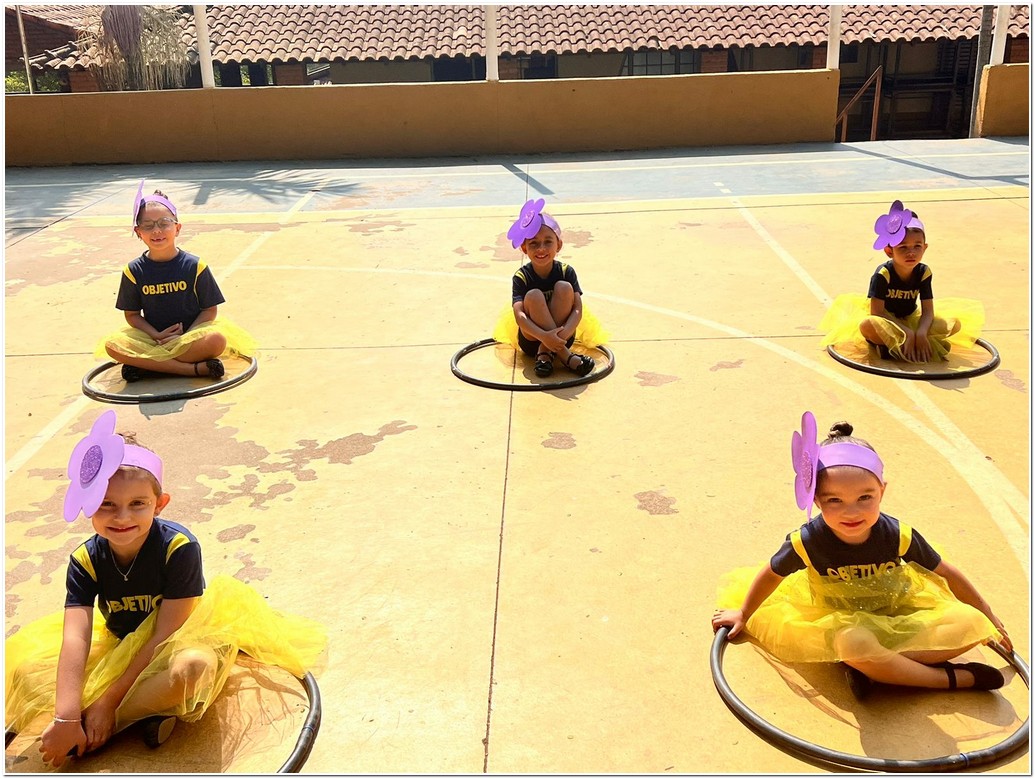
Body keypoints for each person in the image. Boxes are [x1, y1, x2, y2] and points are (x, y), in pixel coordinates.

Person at [5, 411, 326, 767]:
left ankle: (106, 724)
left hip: (177, 641)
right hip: (121, 644)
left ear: (159, 504)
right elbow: (75, 638)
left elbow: (165, 634)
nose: (122, 517)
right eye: (106, 504)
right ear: (88, 503)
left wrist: (107, 703)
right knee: (26, 671)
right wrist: (65, 716)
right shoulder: (85, 559)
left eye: (137, 504)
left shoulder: (179, 547)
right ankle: (135, 715)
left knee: (193, 668)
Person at [711, 412, 1011, 699]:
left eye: (865, 497)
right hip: (842, 623)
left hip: (900, 611)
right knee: (852, 643)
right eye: (834, 500)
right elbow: (771, 573)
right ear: (816, 501)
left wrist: (990, 616)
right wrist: (744, 614)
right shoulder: (806, 541)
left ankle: (875, 669)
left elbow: (947, 572)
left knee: (972, 623)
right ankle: (953, 679)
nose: (851, 512)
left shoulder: (898, 534)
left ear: (882, 490)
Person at [98, 181, 256, 383]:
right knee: (112, 345)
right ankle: (190, 369)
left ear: (177, 228)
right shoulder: (133, 271)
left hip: (191, 338)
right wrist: (156, 335)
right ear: (138, 232)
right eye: (148, 225)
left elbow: (209, 310)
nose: (156, 231)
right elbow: (132, 315)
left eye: (164, 223)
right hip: (153, 339)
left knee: (216, 340)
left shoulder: (195, 266)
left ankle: (150, 366)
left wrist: (185, 337)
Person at [820, 200, 983, 363]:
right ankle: (890, 343)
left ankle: (904, 345)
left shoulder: (924, 272)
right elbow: (877, 313)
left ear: (925, 247)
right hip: (887, 321)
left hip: (910, 319)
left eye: (917, 246)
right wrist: (907, 332)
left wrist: (921, 332)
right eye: (903, 247)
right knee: (867, 324)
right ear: (889, 251)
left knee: (954, 323)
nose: (911, 253)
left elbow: (928, 311)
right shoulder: (883, 274)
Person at [492, 198, 607, 377]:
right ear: (524, 248)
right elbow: (519, 316)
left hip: (564, 336)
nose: (541, 249)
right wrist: (545, 337)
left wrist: (560, 336)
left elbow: (578, 308)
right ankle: (565, 356)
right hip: (532, 339)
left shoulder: (566, 271)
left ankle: (545, 353)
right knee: (534, 295)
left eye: (548, 242)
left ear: (558, 245)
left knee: (564, 287)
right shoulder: (521, 277)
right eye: (534, 243)